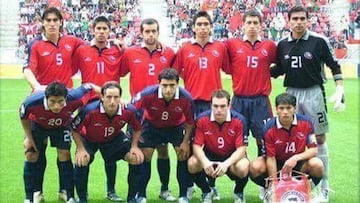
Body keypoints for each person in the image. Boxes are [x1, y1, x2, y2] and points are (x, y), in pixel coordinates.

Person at [271, 6, 345, 202]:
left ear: (308, 20)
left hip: (313, 93)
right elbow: (279, 69)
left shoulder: (319, 41)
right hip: (291, 95)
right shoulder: (282, 44)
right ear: (288, 21)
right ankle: (288, 184)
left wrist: (340, 89)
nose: (298, 22)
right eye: (294, 19)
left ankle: (325, 188)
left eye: (302, 18)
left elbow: (333, 64)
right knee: (291, 138)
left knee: (319, 138)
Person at [22, 7, 84, 202]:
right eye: (47, 20)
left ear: (60, 22)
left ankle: (65, 191)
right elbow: (27, 69)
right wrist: (37, 87)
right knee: (32, 151)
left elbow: (91, 46)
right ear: (42, 22)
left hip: (63, 109)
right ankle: (34, 193)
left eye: (55, 20)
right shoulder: (36, 44)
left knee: (64, 152)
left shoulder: (71, 41)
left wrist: (115, 42)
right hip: (42, 108)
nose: (51, 23)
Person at [173, 10, 230, 200]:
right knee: (186, 149)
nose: (203, 28)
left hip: (214, 106)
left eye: (206, 24)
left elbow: (230, 68)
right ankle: (186, 188)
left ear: (211, 27)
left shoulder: (220, 48)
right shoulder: (185, 49)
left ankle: (210, 186)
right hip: (191, 105)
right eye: (199, 24)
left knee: (210, 147)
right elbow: (174, 74)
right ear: (193, 27)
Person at [119, 18, 177, 201]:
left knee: (163, 150)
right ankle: (139, 193)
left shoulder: (169, 53)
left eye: (154, 31)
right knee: (141, 153)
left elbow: (174, 79)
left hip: (163, 111)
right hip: (139, 112)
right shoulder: (130, 53)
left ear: (158, 32)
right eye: (147, 31)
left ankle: (165, 189)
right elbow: (118, 72)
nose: (150, 35)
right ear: (142, 33)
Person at [225, 9, 277, 199]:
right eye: (249, 23)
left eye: (256, 22)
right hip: (239, 101)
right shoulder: (232, 44)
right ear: (243, 24)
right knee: (237, 145)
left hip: (261, 102)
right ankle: (239, 188)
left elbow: (278, 64)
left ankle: (265, 185)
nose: (253, 26)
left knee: (264, 143)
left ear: (261, 25)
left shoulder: (270, 46)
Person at [72, 16, 125, 201]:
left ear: (109, 31)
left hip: (112, 108)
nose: (102, 32)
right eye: (99, 28)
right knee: (84, 155)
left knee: (111, 155)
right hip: (89, 109)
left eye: (105, 28)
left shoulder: (117, 50)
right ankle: (82, 195)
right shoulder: (82, 50)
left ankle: (111, 191)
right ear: (92, 29)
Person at [20, 82, 94, 203]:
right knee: (30, 153)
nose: (56, 106)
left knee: (64, 154)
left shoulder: (74, 96)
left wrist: (104, 96)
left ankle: (67, 194)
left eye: (60, 101)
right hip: (38, 125)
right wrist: (28, 137)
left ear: (66, 98)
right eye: (52, 102)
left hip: (62, 125)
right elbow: (23, 116)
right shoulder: (31, 102)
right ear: (46, 98)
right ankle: (30, 196)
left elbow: (90, 86)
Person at [71, 82, 144, 203]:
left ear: (120, 98)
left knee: (135, 158)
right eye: (109, 97)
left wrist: (134, 146)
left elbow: (138, 128)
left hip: (113, 138)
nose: (112, 101)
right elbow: (74, 128)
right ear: (102, 97)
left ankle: (131, 198)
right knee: (81, 160)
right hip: (89, 139)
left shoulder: (129, 110)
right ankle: (82, 199)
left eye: (116, 97)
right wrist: (80, 149)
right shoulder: (89, 110)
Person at [130, 68, 195, 203]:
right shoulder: (147, 94)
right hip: (152, 126)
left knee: (182, 153)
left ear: (178, 84)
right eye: (164, 85)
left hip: (175, 126)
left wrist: (185, 141)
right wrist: (135, 141)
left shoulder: (186, 98)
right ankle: (141, 195)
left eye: (172, 85)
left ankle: (181, 195)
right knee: (146, 154)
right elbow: (131, 111)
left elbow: (190, 122)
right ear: (159, 84)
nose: (168, 89)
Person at [259, 93, 324, 201]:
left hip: (297, 165)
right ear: (276, 109)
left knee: (317, 164)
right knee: (256, 167)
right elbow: (270, 157)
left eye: (289, 108)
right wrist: (274, 185)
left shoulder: (306, 122)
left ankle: (306, 190)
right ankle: (268, 190)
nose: (285, 112)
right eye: (281, 108)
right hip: (278, 164)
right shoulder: (268, 128)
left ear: (295, 108)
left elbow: (313, 149)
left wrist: (295, 158)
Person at [188, 90, 249, 203]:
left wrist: (226, 164)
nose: (219, 110)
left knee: (243, 166)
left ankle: (238, 192)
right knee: (192, 164)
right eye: (215, 106)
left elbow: (241, 149)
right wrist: (205, 162)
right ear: (211, 105)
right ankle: (207, 191)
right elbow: (196, 145)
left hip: (232, 157)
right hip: (210, 155)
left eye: (222, 106)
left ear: (229, 105)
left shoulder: (240, 120)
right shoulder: (202, 119)